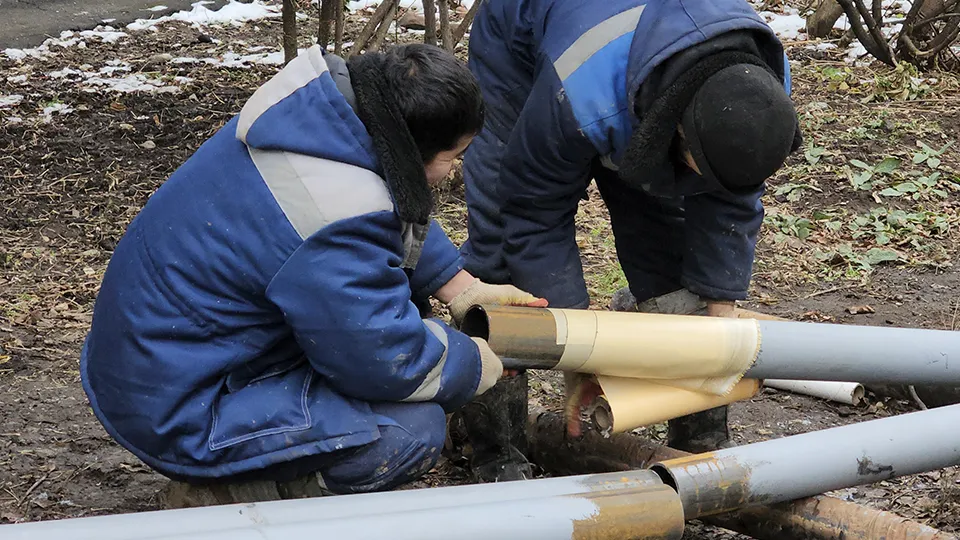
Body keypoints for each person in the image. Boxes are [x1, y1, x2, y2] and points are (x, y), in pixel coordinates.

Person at [79, 42, 545, 508]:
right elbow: (389, 363)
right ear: (410, 145)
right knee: (409, 430)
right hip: (181, 410)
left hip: (159, 359)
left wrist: (461, 286)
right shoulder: (334, 215)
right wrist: (475, 363)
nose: (453, 170)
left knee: (414, 321)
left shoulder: (316, 119)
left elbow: (388, 203)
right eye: (452, 155)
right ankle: (218, 499)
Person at [456, 0, 803, 481]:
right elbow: (532, 210)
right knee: (502, 255)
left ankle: (698, 440)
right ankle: (499, 452)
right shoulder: (585, 97)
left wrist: (718, 307)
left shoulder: (760, 85)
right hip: (529, 46)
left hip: (640, 66)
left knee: (675, 254)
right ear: (677, 130)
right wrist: (576, 354)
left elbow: (732, 196)